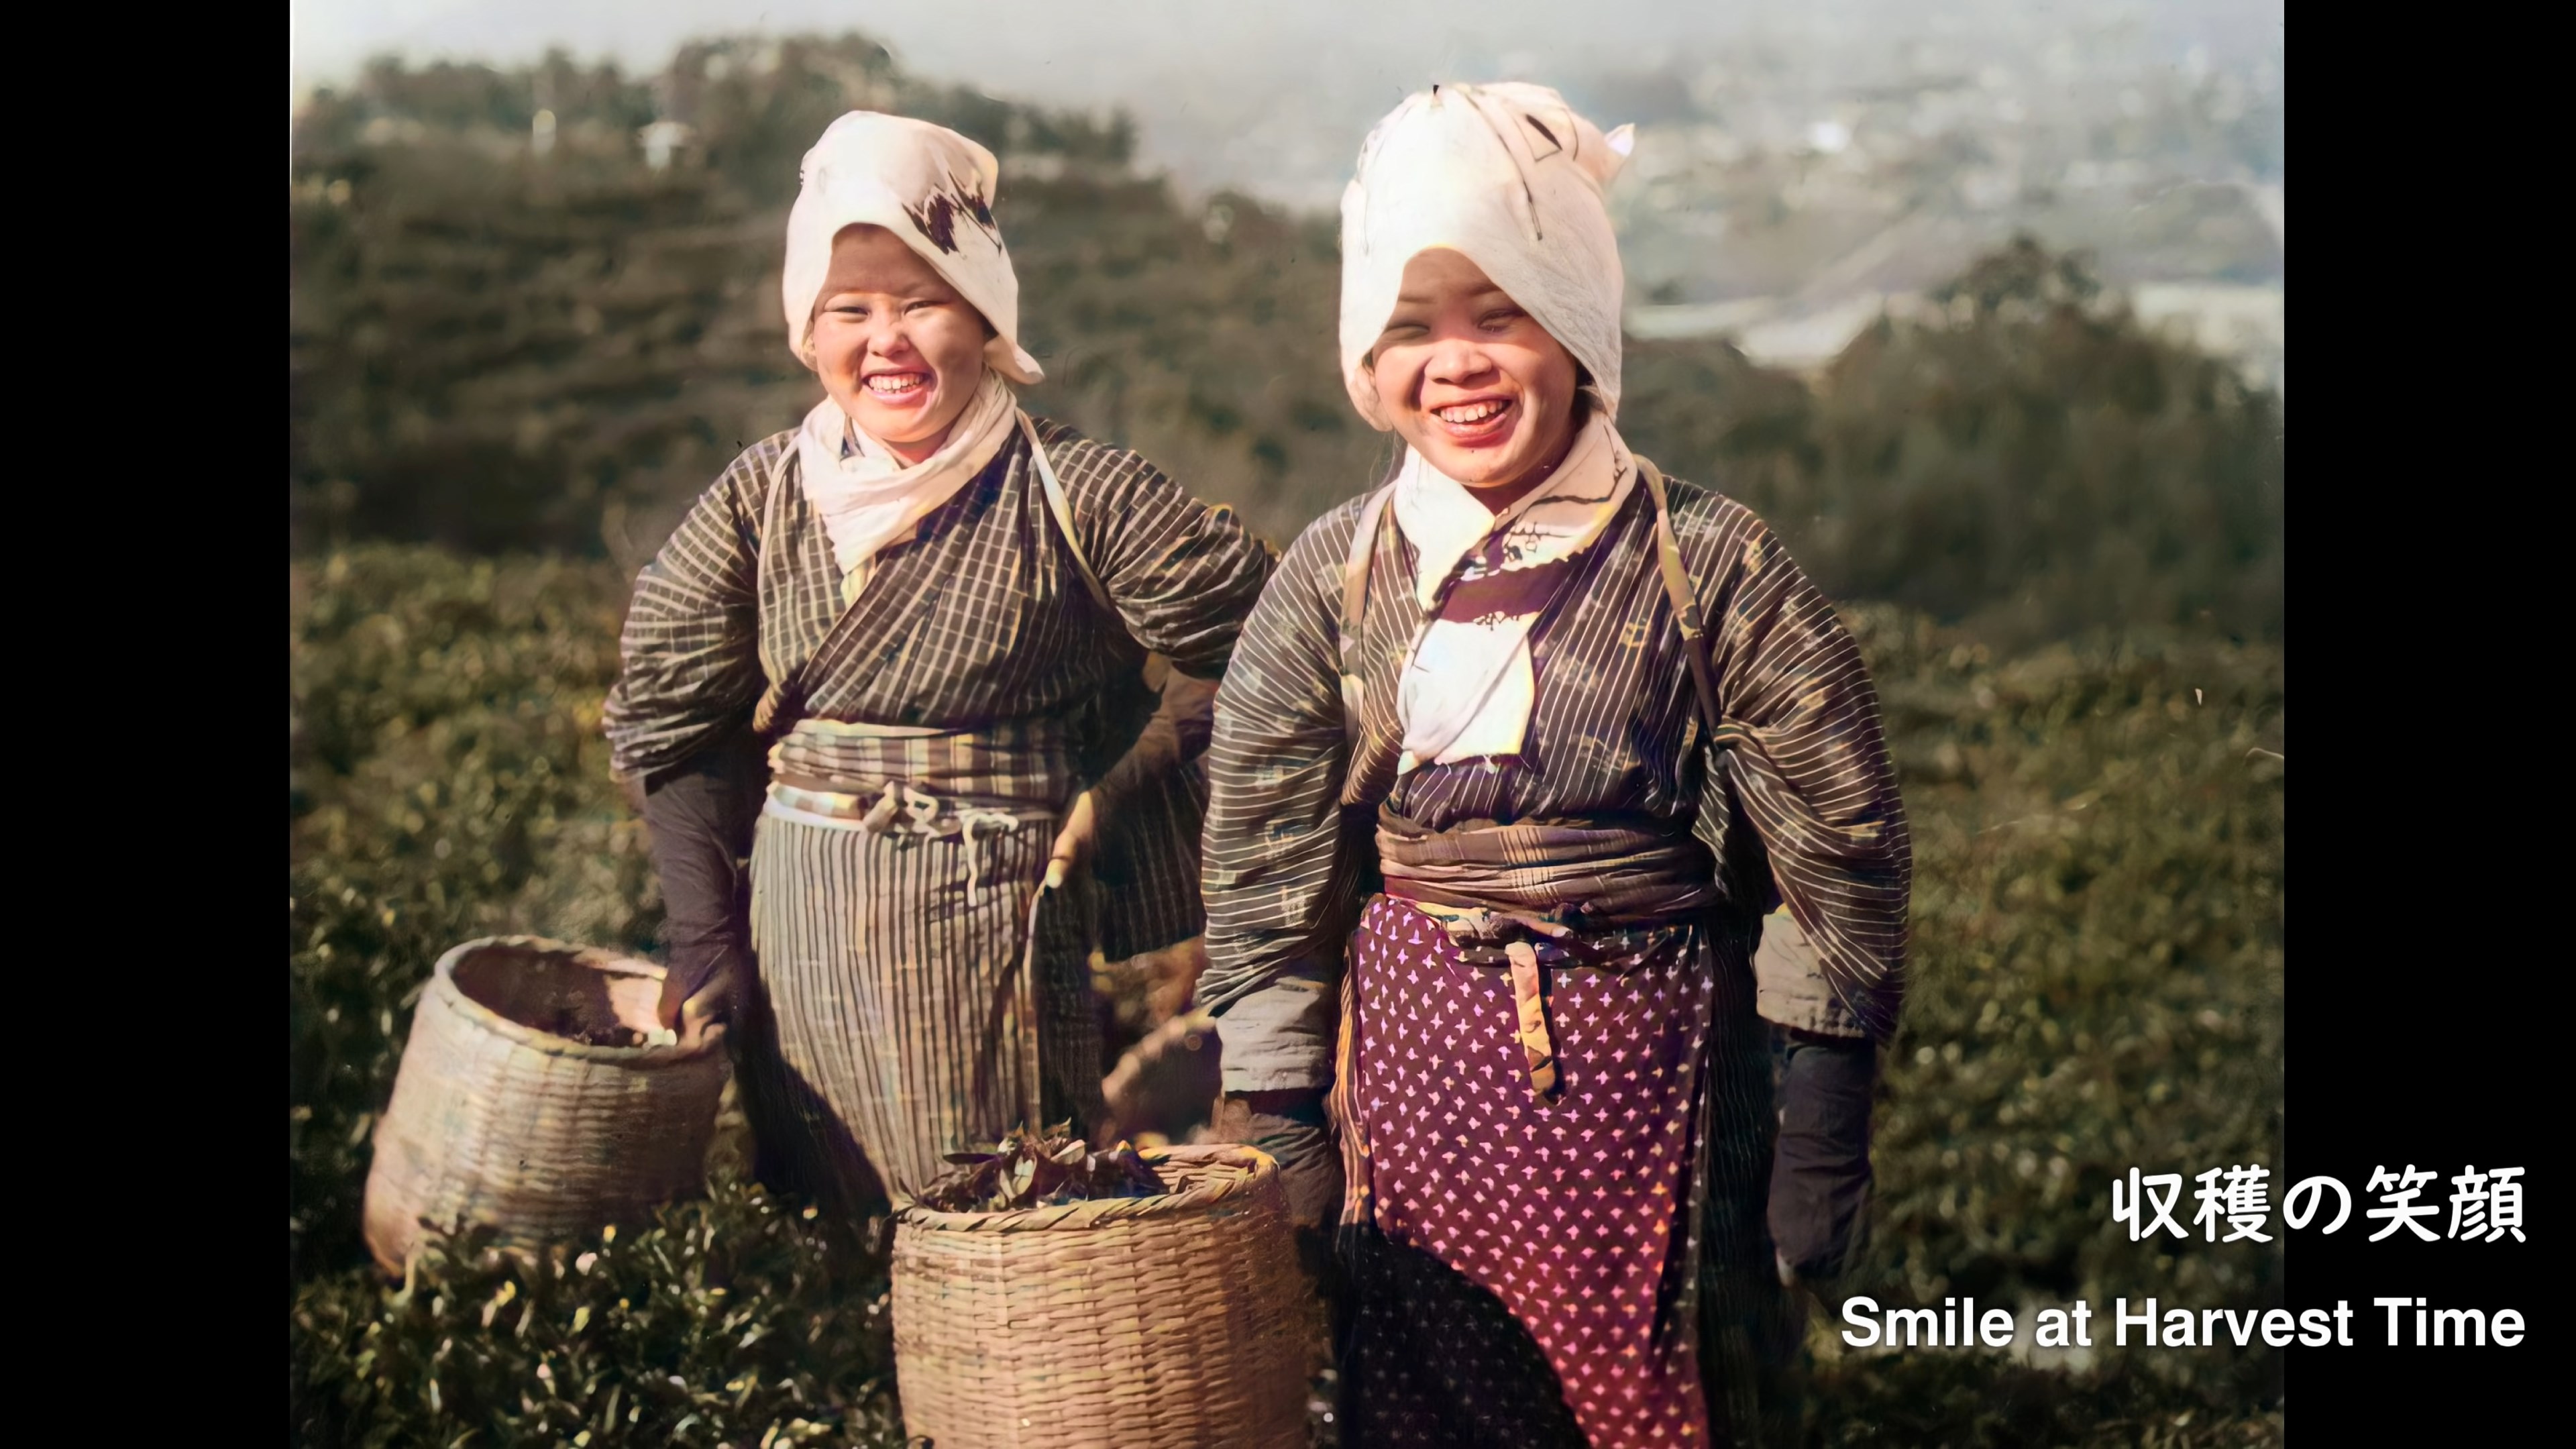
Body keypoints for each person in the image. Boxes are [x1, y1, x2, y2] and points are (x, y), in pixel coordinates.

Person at [1197, 83, 1909, 1446]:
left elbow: (1841, 842)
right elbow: (1266, 863)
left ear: (1578, 325)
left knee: (1678, 1388)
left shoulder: (1712, 562)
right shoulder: (1336, 578)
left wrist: (1822, 1113)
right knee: (1423, 1391)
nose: (1457, 364)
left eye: (1501, 315)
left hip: (1663, 1076)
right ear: (1366, 356)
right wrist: (1280, 1110)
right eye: (1413, 330)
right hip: (1419, 1083)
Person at [604, 111, 1273, 1212]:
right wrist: (704, 937)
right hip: (802, 931)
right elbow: (673, 723)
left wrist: (1125, 780)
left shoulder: (1076, 489)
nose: (888, 342)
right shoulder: (762, 497)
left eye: (924, 303)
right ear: (807, 331)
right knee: (826, 1237)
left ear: (986, 316)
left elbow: (1259, 637)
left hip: (1002, 920)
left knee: (1014, 1236)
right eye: (850, 310)